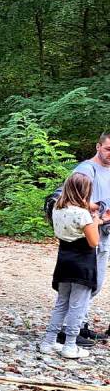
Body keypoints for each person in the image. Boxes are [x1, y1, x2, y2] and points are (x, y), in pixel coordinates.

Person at [40, 173, 101, 359]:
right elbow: (94, 241)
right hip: (82, 265)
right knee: (77, 306)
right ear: (85, 191)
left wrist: (93, 211)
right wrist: (96, 221)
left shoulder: (56, 209)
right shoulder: (82, 215)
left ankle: (48, 341)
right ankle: (70, 345)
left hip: (64, 262)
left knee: (61, 303)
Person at [70, 132, 110, 345]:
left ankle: (80, 325)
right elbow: (73, 199)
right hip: (86, 233)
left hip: (104, 233)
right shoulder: (86, 170)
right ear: (98, 147)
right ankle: (69, 330)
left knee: (95, 283)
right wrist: (100, 210)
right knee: (82, 283)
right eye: (108, 149)